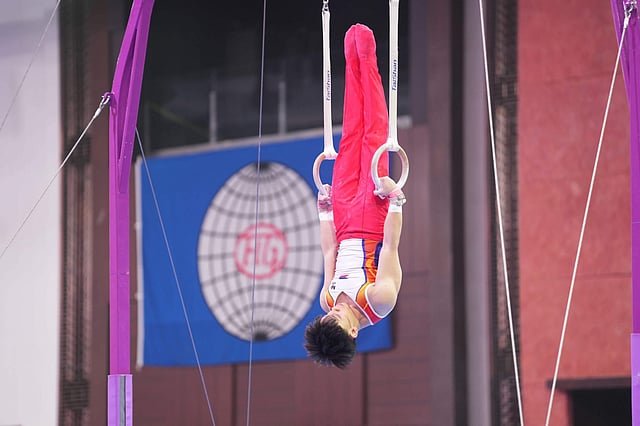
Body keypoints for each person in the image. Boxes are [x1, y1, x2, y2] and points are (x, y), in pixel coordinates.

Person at [303, 23, 405, 369]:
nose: (331, 312)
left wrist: (324, 211)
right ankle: (368, 58)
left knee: (350, 135)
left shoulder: (327, 298)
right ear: (353, 332)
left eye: (326, 317)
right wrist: (396, 200)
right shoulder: (380, 300)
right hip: (374, 216)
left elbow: (329, 250)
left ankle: (351, 59)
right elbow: (390, 247)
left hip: (345, 217)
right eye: (335, 320)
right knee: (373, 133)